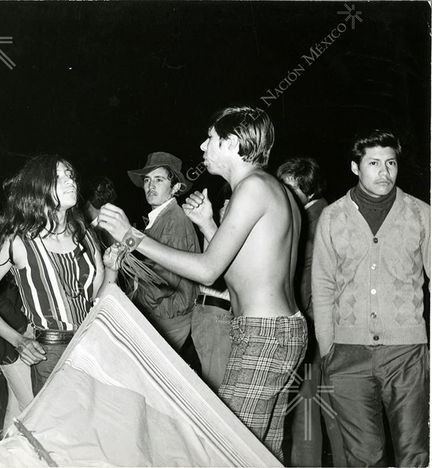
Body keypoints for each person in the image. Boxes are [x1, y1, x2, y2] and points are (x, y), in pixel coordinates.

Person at [99, 106, 307, 462]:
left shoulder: (254, 187)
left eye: (210, 138)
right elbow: (239, 273)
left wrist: (132, 237)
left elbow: (209, 271)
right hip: (278, 331)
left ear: (232, 143)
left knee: (226, 452)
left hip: (263, 335)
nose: (202, 145)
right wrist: (209, 226)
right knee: (261, 455)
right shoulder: (272, 189)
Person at [0, 155, 113, 432]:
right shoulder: (15, 240)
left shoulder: (84, 234)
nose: (70, 180)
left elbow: (96, 296)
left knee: (94, 429)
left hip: (90, 344)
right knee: (61, 433)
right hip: (51, 352)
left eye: (71, 175)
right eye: (59, 176)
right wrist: (18, 340)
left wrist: (111, 268)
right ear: (39, 186)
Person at [312, 130, 430, 467]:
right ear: (355, 167)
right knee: (364, 457)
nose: (385, 172)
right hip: (347, 355)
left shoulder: (421, 214)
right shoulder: (333, 217)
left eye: (391, 163)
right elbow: (322, 286)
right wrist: (327, 349)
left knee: (414, 453)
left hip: (406, 354)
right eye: (374, 163)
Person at [277, 157, 345, 467]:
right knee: (309, 407)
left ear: (307, 189)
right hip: (314, 328)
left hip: (320, 331)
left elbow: (320, 282)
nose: (282, 194)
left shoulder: (320, 219)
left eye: (289, 188)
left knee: (327, 410)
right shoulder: (313, 216)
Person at [126, 152, 200, 351]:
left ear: (175, 187)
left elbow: (162, 282)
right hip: (165, 314)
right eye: (147, 180)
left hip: (166, 318)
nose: (150, 186)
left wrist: (133, 304)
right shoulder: (161, 218)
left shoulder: (173, 222)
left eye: (159, 180)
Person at [190, 195, 234, 391]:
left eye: (230, 201)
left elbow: (217, 276)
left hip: (218, 315)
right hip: (205, 312)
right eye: (224, 201)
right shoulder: (220, 232)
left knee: (217, 387)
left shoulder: (232, 237)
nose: (223, 204)